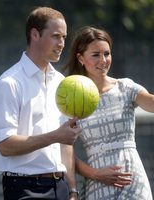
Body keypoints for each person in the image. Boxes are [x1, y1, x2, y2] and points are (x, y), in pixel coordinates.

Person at [0, 6, 82, 200]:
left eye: (64, 37)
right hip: (25, 188)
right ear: (35, 34)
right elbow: (5, 145)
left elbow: (65, 143)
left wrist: (72, 189)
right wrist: (56, 136)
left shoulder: (60, 82)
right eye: (56, 36)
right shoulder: (9, 83)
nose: (62, 43)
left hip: (61, 187)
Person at [64, 26, 154, 199]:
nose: (103, 60)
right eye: (95, 55)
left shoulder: (126, 87)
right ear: (81, 58)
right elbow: (66, 152)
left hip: (133, 183)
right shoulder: (72, 100)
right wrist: (96, 174)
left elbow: (151, 102)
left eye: (107, 53)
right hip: (98, 185)